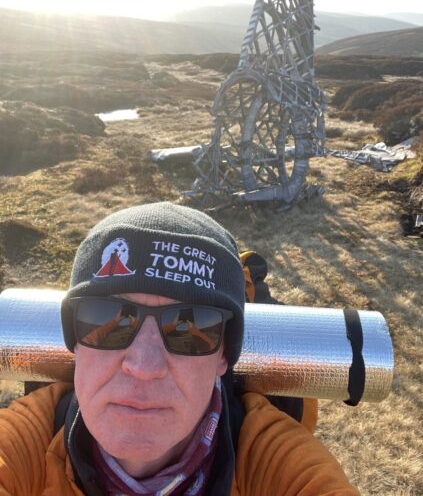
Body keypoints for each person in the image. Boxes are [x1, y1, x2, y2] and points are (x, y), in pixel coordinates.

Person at [0, 202, 360, 495]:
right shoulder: (25, 448)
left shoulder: (273, 464)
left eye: (191, 325)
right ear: (75, 340)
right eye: (108, 319)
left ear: (223, 355)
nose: (143, 365)